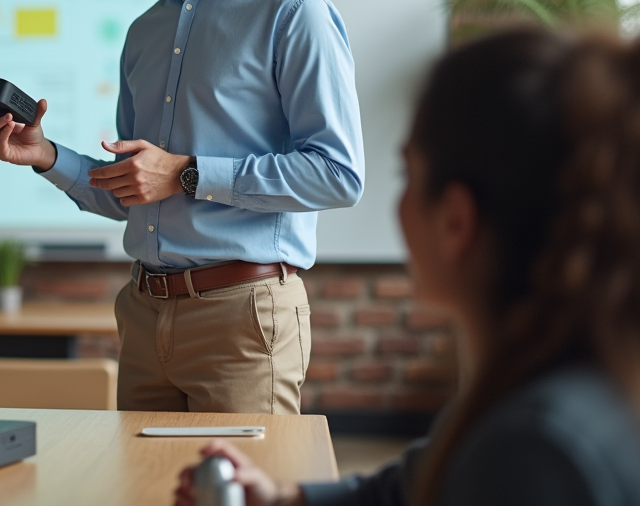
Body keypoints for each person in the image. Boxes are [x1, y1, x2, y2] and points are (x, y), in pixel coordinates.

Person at [0, 0, 364, 414]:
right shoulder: (146, 31)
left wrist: (187, 172)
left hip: (243, 318)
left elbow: (338, 176)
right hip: (144, 313)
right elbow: (134, 189)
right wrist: (45, 155)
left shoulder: (293, 11)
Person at [172, 28, 640, 506]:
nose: (397, 203)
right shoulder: (534, 394)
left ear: (456, 221)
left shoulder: (537, 451)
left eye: (408, 175)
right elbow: (402, 490)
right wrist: (282, 498)